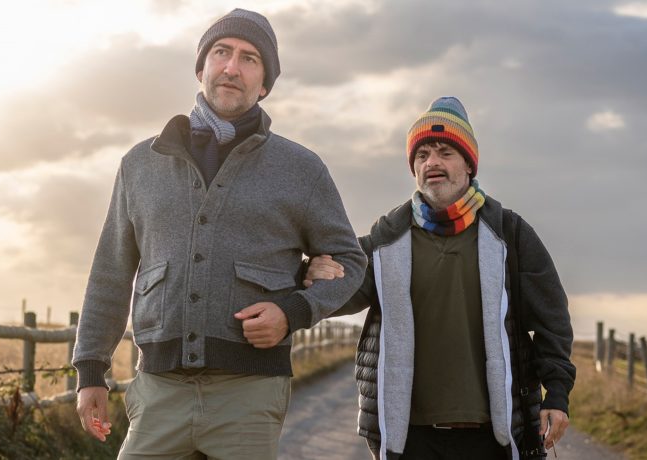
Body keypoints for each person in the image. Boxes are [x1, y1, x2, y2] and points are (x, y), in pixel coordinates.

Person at [71, 8, 367, 459]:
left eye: (250, 59)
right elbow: (111, 271)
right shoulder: (140, 164)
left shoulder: (301, 170)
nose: (232, 67)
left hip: (249, 395)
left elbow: (350, 261)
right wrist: (91, 369)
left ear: (265, 84)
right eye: (221, 52)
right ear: (201, 67)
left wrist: (293, 311)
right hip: (158, 392)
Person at [306, 97, 576, 459]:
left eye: (445, 151)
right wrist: (311, 272)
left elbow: (552, 320)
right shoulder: (386, 239)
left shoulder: (509, 234)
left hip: (492, 437)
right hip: (412, 438)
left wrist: (556, 393)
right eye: (422, 155)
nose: (432, 162)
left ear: (468, 164)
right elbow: (339, 289)